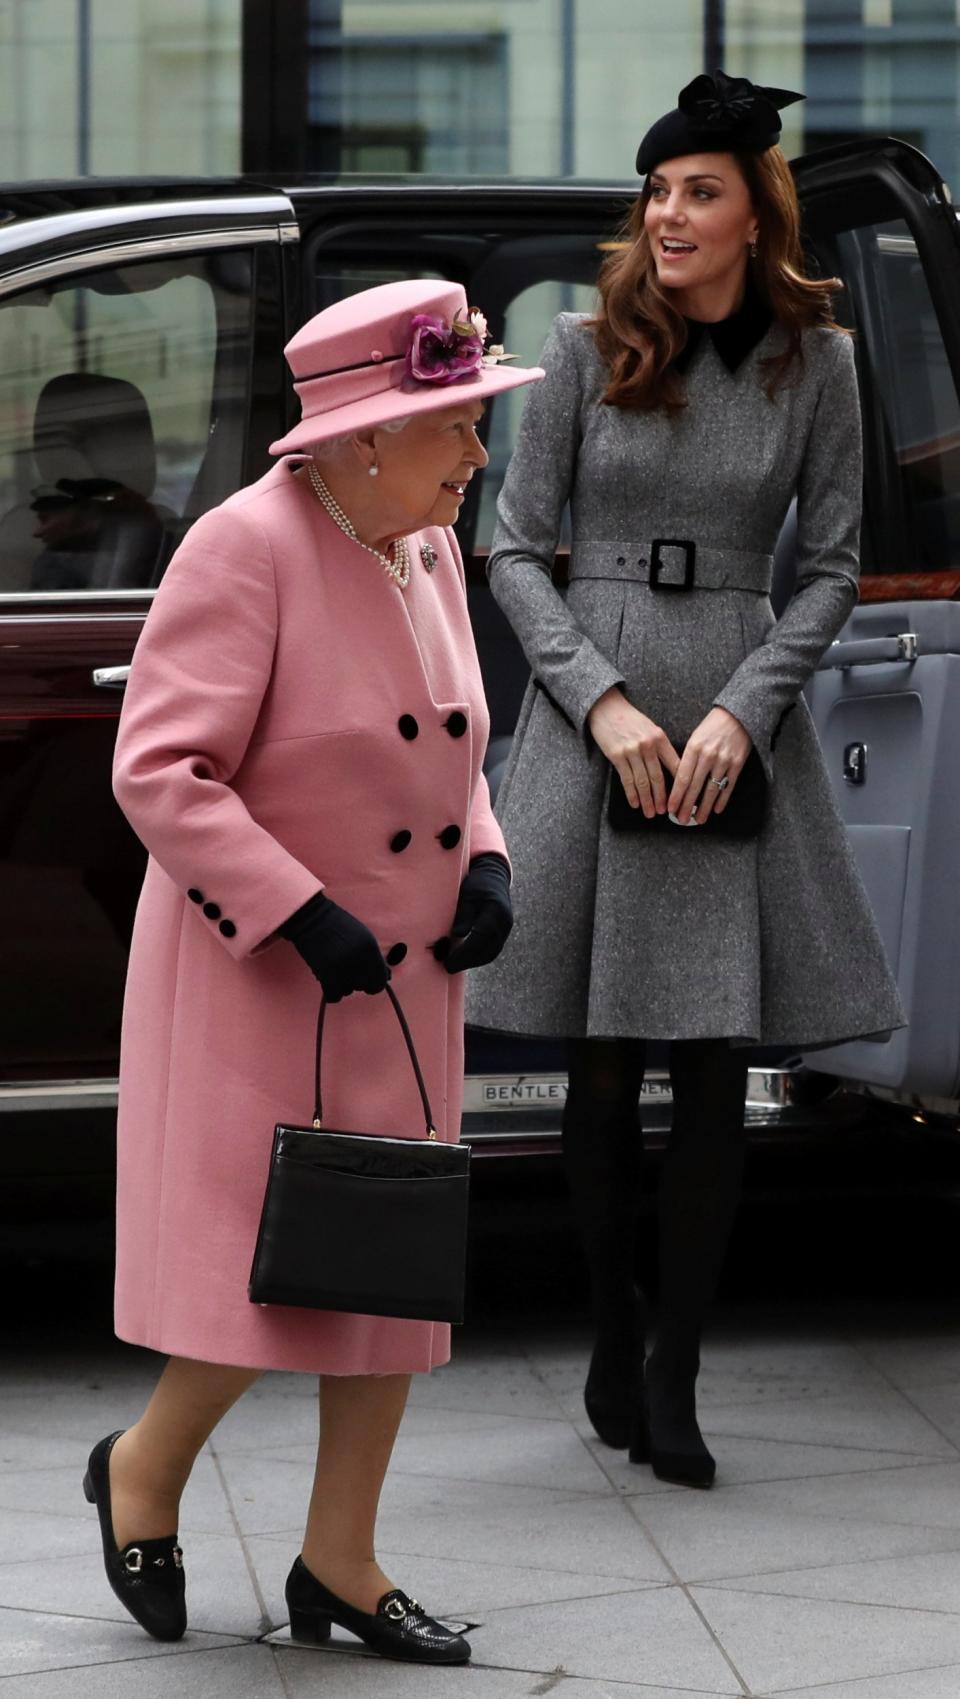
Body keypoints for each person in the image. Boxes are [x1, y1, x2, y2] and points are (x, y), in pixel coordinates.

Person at [83, 279, 543, 1658]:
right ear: (359, 438)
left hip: (401, 987)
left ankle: (340, 1562)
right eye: (455, 424)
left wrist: (490, 863)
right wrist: (299, 912)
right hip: (266, 977)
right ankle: (142, 1474)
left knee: (386, 1269)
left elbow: (453, 755)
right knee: (257, 1274)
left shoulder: (426, 547)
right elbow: (160, 771)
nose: (475, 454)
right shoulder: (245, 548)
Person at [466, 70, 905, 1489]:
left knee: (714, 1068)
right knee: (596, 1069)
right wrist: (595, 705)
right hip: (594, 708)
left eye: (698, 191)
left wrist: (739, 708)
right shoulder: (586, 348)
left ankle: (677, 1370)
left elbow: (832, 567)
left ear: (751, 211)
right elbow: (512, 548)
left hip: (730, 700)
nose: (669, 213)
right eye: (658, 191)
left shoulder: (818, 361)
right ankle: (610, 1325)